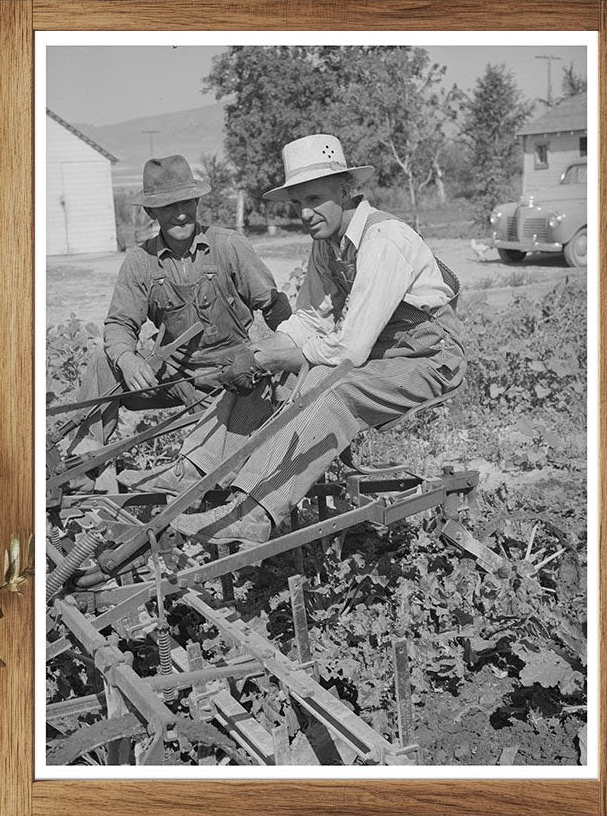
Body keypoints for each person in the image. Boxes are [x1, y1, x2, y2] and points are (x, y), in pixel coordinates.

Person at [168, 133, 466, 546]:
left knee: (332, 389)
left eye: (314, 199)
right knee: (271, 373)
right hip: (384, 349)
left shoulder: (384, 241)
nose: (305, 213)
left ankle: (253, 512)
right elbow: (308, 318)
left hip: (428, 358)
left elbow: (349, 350)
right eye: (297, 203)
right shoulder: (328, 244)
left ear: (347, 191)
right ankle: (196, 472)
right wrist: (258, 354)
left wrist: (278, 358)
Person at [72, 154, 291, 454]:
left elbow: (276, 309)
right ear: (152, 212)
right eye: (168, 206)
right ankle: (85, 463)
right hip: (173, 377)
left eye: (186, 203)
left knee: (227, 463)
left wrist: (289, 363)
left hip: (234, 375)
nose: (180, 215)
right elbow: (120, 325)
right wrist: (128, 359)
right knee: (104, 360)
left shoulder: (228, 246)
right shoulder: (140, 261)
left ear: (197, 203)